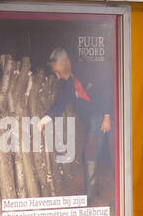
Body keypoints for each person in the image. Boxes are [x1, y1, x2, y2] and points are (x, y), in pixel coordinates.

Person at [48, 46, 114, 196]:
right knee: (91, 152)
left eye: (57, 72)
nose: (57, 77)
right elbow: (60, 103)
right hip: (97, 116)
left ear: (64, 64)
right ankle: (92, 196)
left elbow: (105, 88)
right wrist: (45, 119)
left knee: (114, 149)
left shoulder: (87, 69)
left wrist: (107, 116)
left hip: (110, 111)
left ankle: (115, 193)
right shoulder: (70, 82)